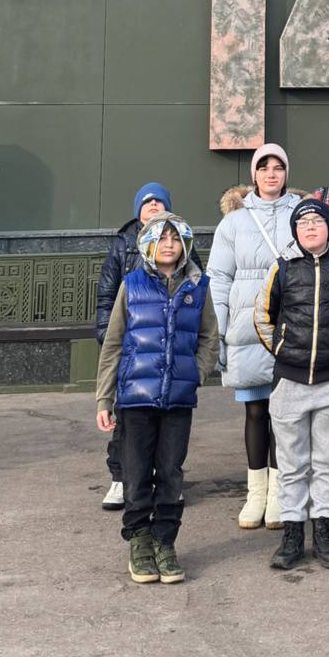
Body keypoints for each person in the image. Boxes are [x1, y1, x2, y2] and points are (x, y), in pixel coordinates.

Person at [95, 212, 220, 584]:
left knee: (170, 473)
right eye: (162, 238)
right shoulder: (131, 285)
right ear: (148, 245)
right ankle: (140, 542)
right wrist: (104, 399)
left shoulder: (198, 286)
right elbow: (114, 343)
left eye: (175, 238)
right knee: (135, 475)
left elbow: (209, 337)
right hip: (135, 399)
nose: (169, 244)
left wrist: (195, 374)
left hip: (178, 399)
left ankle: (165, 542)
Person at [254, 199, 329, 571]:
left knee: (327, 463)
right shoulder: (282, 266)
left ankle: (324, 532)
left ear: (328, 227)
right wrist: (282, 350)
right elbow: (263, 315)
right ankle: (292, 533)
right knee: (291, 464)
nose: (309, 228)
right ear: (295, 231)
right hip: (289, 382)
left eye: (316, 221)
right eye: (302, 223)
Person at [207, 144, 301, 531]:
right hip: (247, 329)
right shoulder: (233, 223)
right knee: (256, 411)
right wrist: (219, 333)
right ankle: (255, 493)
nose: (271, 174)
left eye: (278, 167)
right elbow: (218, 279)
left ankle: (279, 494)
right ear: (254, 174)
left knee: (285, 414)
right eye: (264, 168)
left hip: (291, 325)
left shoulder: (301, 212)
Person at [95, 182, 193, 511]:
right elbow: (107, 296)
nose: (153, 205)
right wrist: (109, 337)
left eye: (159, 201)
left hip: (169, 354)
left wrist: (195, 366)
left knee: (169, 425)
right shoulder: (123, 244)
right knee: (127, 421)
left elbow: (197, 301)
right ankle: (120, 478)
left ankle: (166, 481)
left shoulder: (182, 247)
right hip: (132, 350)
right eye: (147, 201)